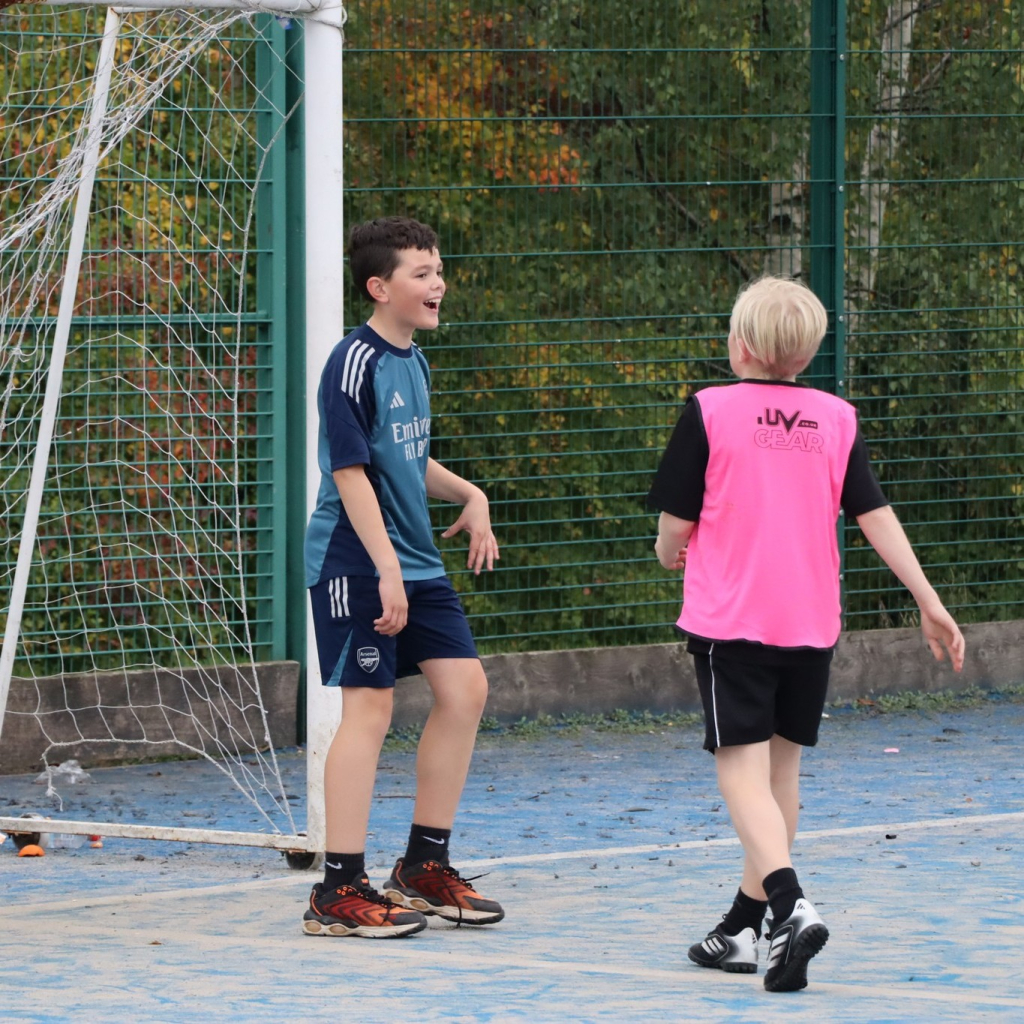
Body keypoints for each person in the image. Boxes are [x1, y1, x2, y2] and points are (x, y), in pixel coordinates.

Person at [646, 276, 965, 991]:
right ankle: (738, 929)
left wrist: (670, 552)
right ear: (806, 353)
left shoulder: (709, 411)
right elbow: (875, 514)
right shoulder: (836, 418)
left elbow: (675, 527)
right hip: (812, 625)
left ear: (742, 344)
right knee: (781, 775)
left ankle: (789, 907)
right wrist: (928, 598)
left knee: (740, 770)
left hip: (733, 623)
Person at [302, 216, 503, 938]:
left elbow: (405, 460)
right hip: (358, 560)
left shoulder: (413, 361)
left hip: (413, 560)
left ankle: (422, 865)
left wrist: (470, 495)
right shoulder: (351, 362)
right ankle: (336, 891)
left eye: (439, 270)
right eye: (422, 273)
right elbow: (350, 470)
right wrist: (385, 568)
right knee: (370, 713)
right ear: (379, 286)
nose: (438, 282)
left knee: (465, 688)